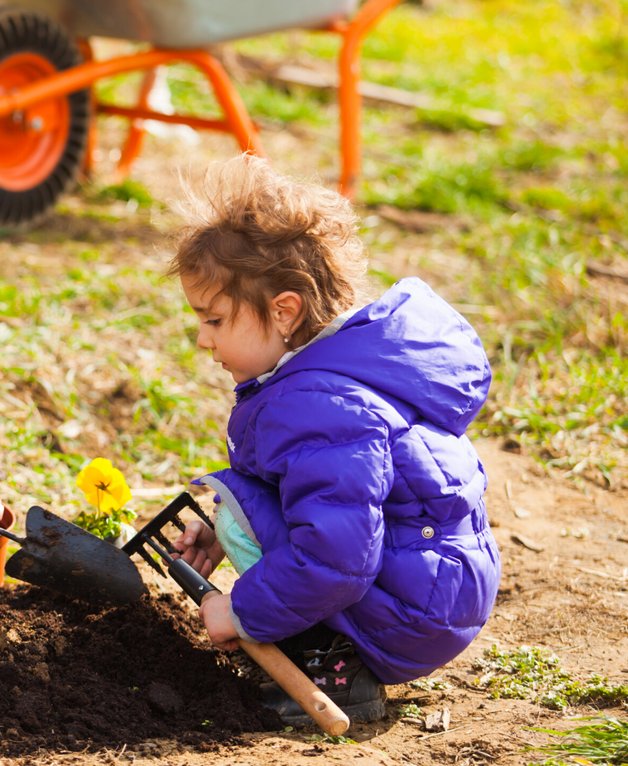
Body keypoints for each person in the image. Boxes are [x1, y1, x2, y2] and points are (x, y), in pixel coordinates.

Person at [165, 157, 499, 725]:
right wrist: (228, 529)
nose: (202, 339)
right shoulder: (343, 370)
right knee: (240, 504)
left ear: (284, 310)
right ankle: (327, 642)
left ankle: (332, 669)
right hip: (434, 585)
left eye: (215, 320)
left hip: (413, 609)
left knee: (267, 521)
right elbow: (317, 501)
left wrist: (240, 612)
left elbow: (338, 557)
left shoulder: (317, 403)